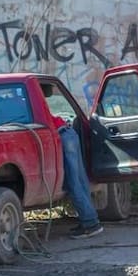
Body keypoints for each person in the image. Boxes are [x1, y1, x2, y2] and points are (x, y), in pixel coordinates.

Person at [42, 88, 103, 239]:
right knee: (80, 180)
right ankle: (90, 219)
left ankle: (90, 224)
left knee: (73, 183)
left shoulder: (15, 107)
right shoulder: (27, 101)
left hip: (61, 137)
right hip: (68, 132)